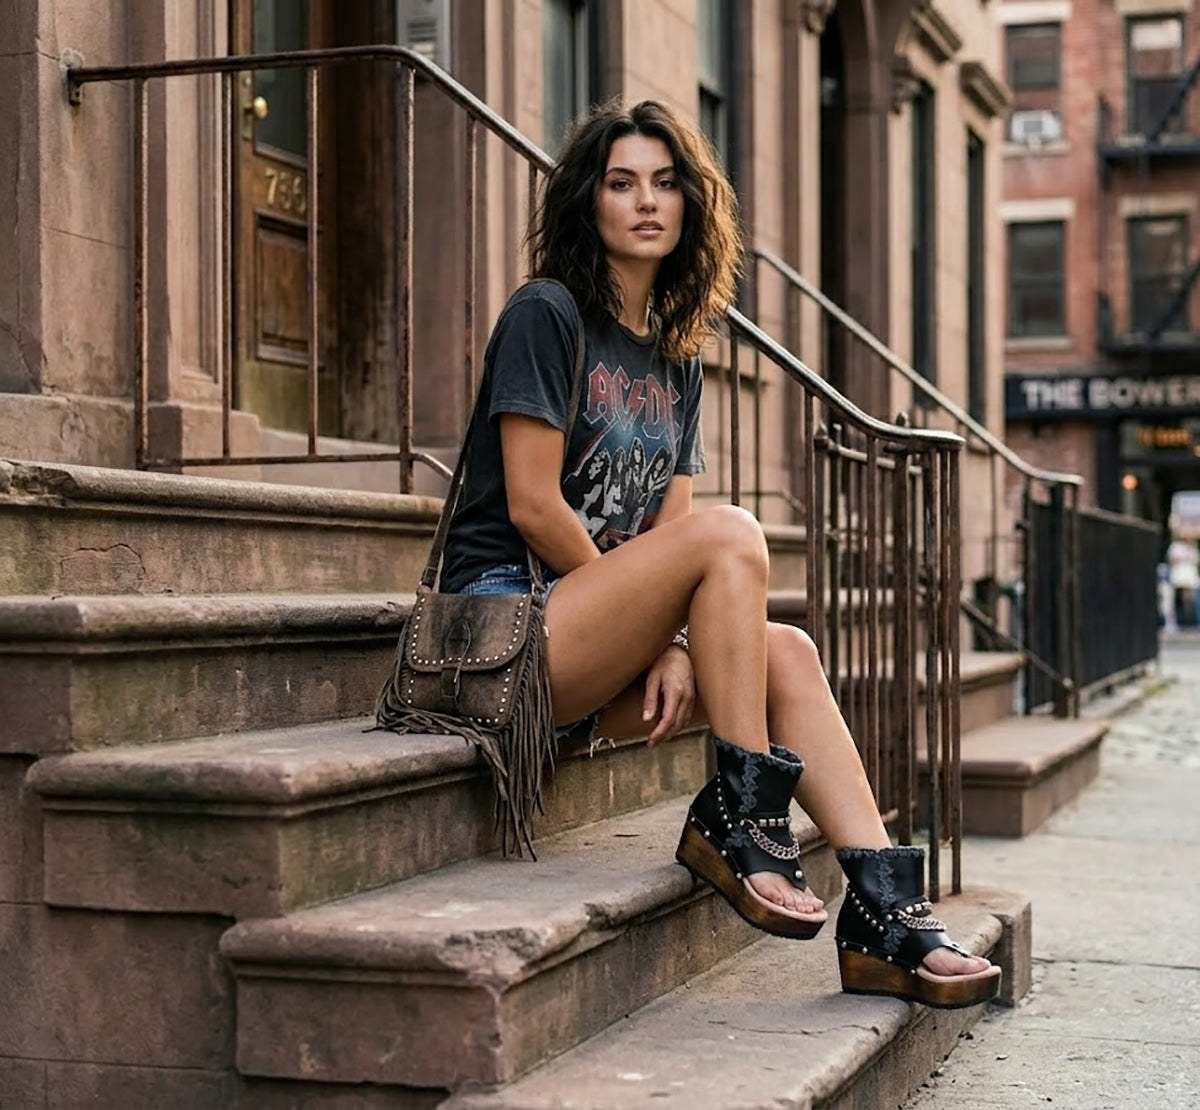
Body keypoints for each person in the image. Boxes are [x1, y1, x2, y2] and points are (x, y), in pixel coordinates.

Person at [439, 100, 1000, 1009]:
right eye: (621, 183)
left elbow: (669, 537)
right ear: (589, 203)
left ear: (691, 208)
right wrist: (654, 621)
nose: (646, 202)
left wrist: (673, 642)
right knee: (734, 535)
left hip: (588, 649)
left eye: (665, 184)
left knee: (791, 652)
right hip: (502, 634)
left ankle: (887, 916)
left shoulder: (677, 358)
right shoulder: (547, 316)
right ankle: (742, 818)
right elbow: (535, 506)